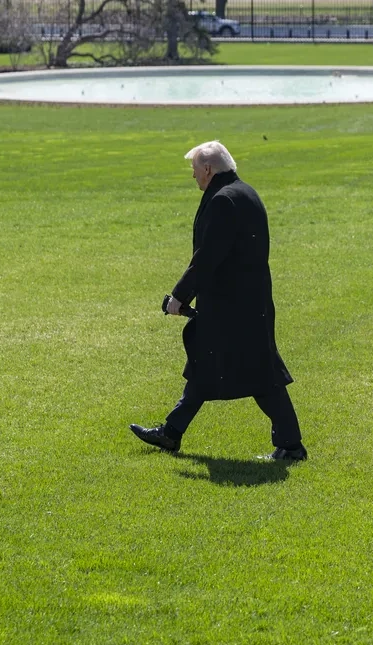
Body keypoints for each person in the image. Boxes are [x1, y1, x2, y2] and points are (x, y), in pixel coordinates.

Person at [130, 141, 307, 461]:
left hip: (232, 307)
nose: (193, 176)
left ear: (209, 169)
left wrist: (179, 297)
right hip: (249, 304)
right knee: (207, 364)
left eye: (195, 170)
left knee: (260, 377)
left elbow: (207, 258)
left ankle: (292, 447)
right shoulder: (246, 193)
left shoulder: (223, 201)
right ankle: (172, 432)